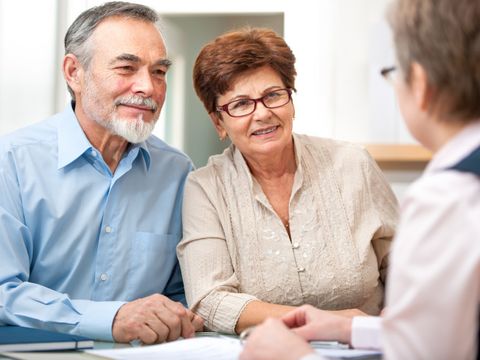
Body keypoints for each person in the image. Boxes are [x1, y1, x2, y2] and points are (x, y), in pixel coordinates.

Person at [240, 0, 480, 358]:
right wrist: (352, 327)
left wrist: (293, 357)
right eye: (242, 104)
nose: (261, 114)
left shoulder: (448, 199)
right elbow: (443, 334)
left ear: (421, 84)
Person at [0, 1, 203, 343]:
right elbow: (3, 291)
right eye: (127, 68)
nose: (148, 88)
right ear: (73, 73)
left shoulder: (178, 172)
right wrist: (110, 319)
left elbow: (182, 294)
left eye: (159, 72)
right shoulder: (12, 162)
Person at [177, 27, 399, 335]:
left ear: (291, 100)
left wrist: (403, 309)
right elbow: (209, 301)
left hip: (365, 347)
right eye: (241, 104)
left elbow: (403, 266)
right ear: (219, 122)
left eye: (273, 95)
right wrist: (321, 322)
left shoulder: (353, 164)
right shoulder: (205, 188)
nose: (262, 114)